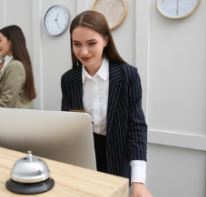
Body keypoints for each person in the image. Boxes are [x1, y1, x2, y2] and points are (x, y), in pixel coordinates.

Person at [61, 10, 152, 197]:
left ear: (105, 40)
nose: (83, 52)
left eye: (91, 43)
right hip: (82, 158)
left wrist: (138, 182)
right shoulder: (69, 80)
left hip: (117, 158)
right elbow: (67, 126)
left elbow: (137, 128)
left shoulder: (128, 76)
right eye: (76, 44)